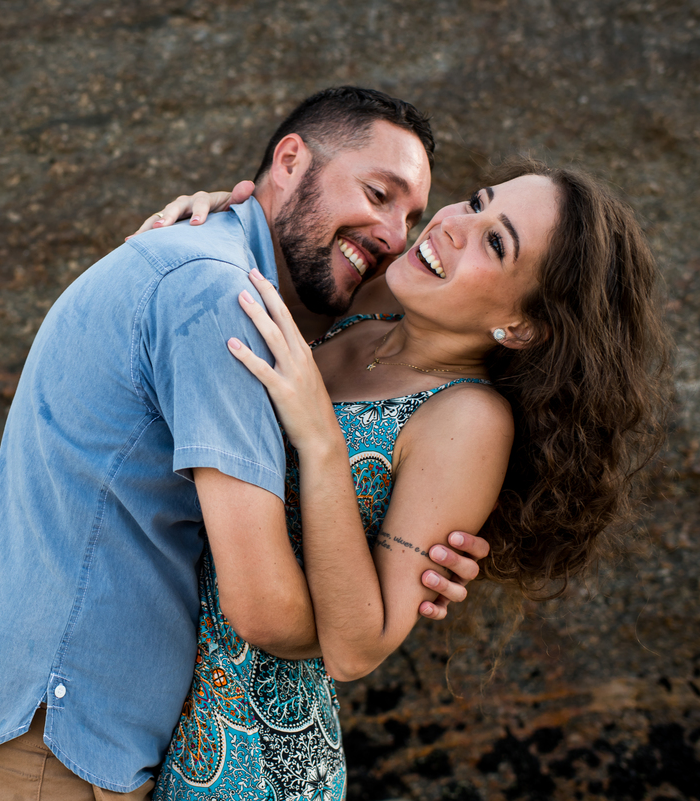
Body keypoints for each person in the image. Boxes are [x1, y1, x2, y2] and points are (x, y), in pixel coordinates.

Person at [0, 87, 491, 800]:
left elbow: (445, 341)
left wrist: (417, 543)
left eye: (412, 214)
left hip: (23, 708)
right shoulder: (220, 297)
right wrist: (368, 606)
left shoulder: (213, 262)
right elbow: (268, 612)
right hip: (55, 740)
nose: (395, 233)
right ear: (289, 160)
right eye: (378, 192)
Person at [141, 160, 670, 800]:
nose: (454, 225)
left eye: (496, 243)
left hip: (253, 765)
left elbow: (357, 650)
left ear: (523, 326)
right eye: (476, 202)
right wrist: (216, 214)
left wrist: (321, 439)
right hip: (147, 700)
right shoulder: (364, 308)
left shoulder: (469, 418)